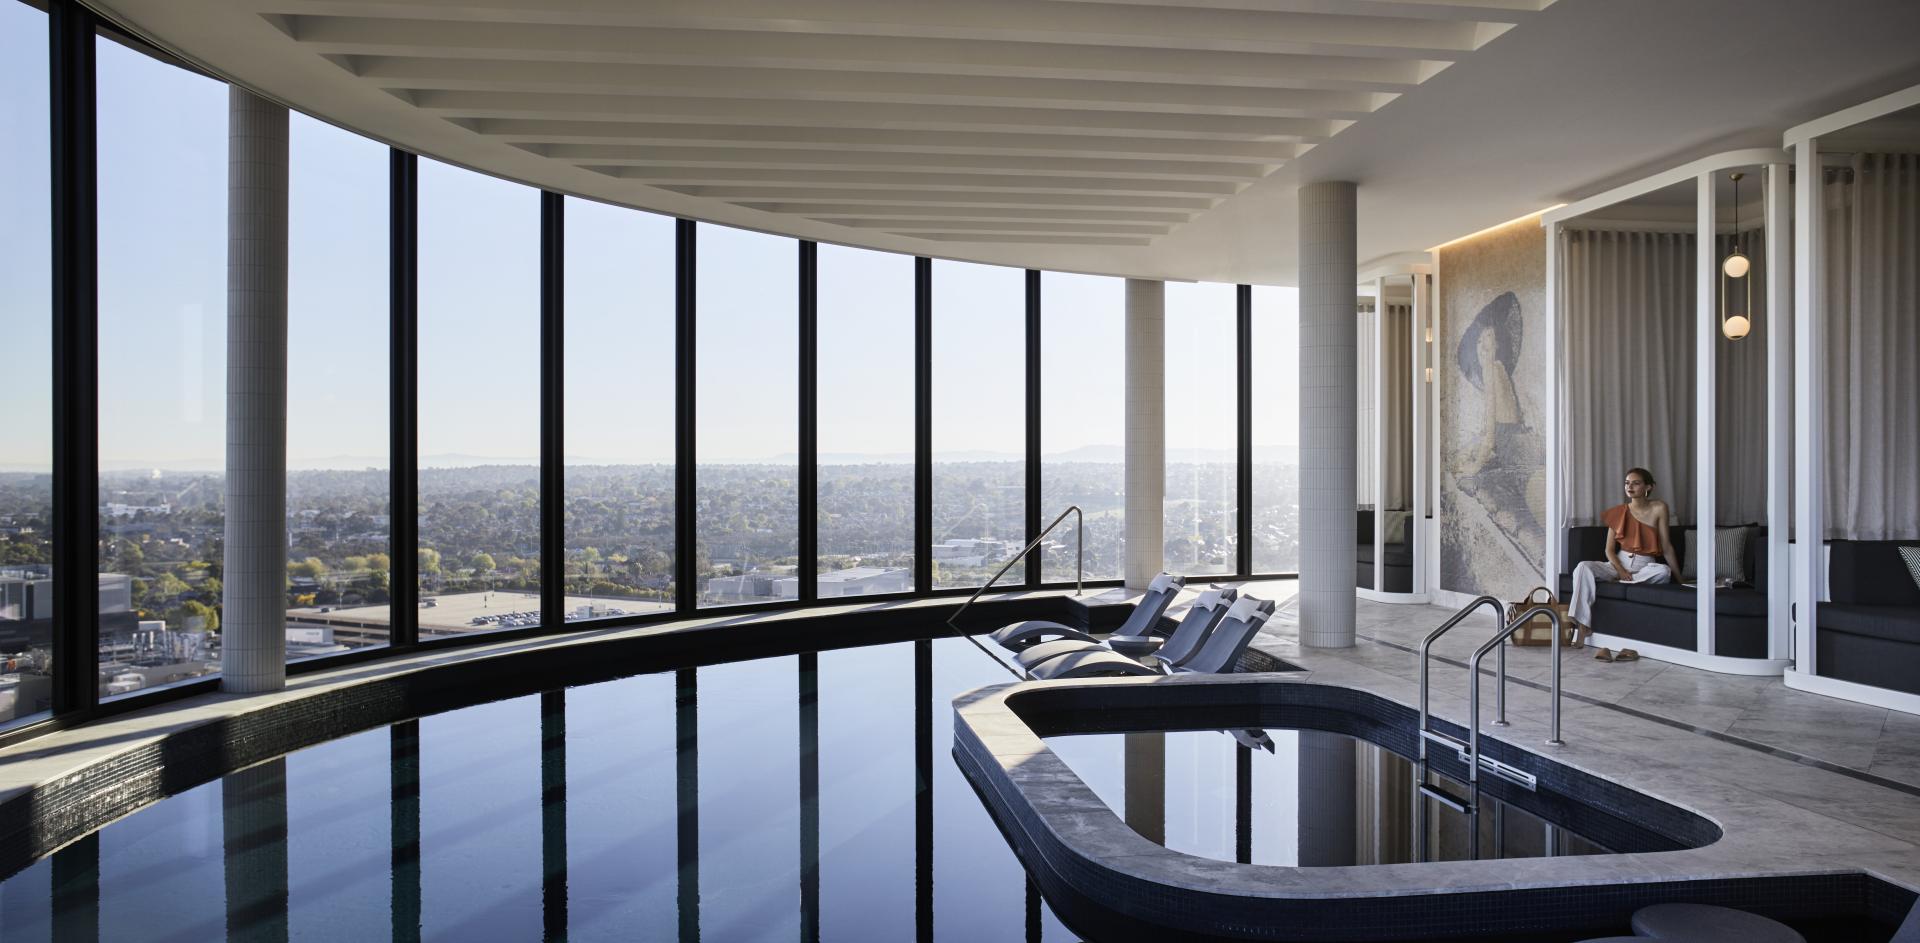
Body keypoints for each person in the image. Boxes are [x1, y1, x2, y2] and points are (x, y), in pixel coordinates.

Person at [1568, 467, 1677, 654]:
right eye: (1627, 483)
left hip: (1645, 567)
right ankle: (1583, 624)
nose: (1630, 487)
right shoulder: (1618, 512)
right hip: (1618, 563)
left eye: (1636, 483)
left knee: (1663, 572)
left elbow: (1666, 546)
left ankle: (1620, 582)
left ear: (1648, 487)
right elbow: (1609, 550)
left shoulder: (1659, 508)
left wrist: (1680, 579)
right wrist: (1621, 571)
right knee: (1582, 567)